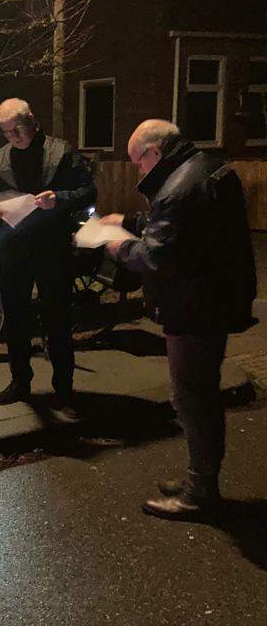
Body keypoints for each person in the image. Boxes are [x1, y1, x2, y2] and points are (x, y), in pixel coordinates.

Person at [102, 120, 255, 519]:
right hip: (213, 301)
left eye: (138, 162)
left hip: (194, 308)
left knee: (192, 397)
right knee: (200, 393)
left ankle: (200, 492)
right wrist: (132, 222)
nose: (138, 171)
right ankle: (199, 478)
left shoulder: (179, 188)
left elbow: (156, 255)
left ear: (153, 152)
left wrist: (118, 248)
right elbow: (181, 230)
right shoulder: (203, 167)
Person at [0, 98, 96, 412]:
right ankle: (20, 382)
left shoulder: (61, 151)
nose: (13, 137)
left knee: (57, 319)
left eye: (17, 129)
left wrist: (58, 198)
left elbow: (88, 191)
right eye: (6, 132)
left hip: (52, 248)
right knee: (16, 319)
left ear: (31, 119)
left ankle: (64, 387)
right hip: (13, 249)